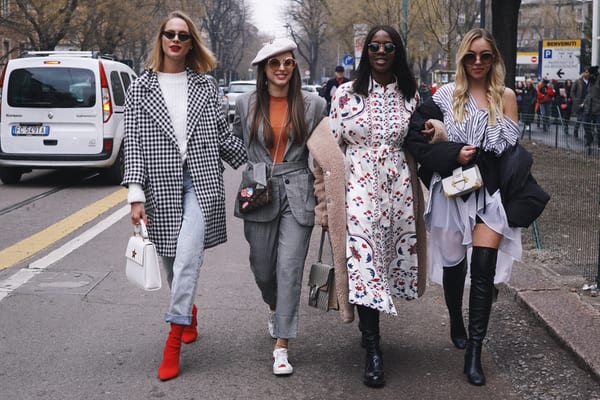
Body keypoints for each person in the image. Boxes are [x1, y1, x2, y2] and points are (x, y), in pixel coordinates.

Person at [405, 28, 548, 386]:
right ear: (462, 59)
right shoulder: (445, 95)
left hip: (490, 193)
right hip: (453, 190)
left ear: (494, 58)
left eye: (485, 55)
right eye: (471, 56)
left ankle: (475, 353)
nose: (478, 62)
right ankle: (456, 319)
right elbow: (415, 134)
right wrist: (451, 149)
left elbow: (510, 149)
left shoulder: (507, 96)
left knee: (483, 270)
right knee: (455, 265)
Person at [122, 11, 247, 381]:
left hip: (201, 182)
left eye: (183, 35)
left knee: (188, 259)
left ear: (192, 43)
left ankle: (173, 338)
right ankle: (187, 311)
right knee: (170, 260)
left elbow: (222, 136)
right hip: (160, 186)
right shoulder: (139, 88)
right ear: (161, 39)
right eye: (170, 34)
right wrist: (135, 194)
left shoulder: (205, 86)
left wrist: (263, 154)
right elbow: (134, 145)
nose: (175, 40)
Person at [309, 25, 427, 388]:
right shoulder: (345, 94)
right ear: (366, 52)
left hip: (398, 190)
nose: (381, 52)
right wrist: (324, 203)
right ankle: (374, 349)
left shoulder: (411, 95)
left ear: (397, 52)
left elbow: (422, 136)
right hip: (357, 187)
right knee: (364, 260)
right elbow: (326, 151)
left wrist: (435, 132)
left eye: (388, 46)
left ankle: (368, 327)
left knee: (386, 262)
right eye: (374, 46)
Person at [232, 38, 327, 376]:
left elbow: (325, 154)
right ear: (264, 69)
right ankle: (274, 305)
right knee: (262, 267)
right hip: (258, 188)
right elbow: (235, 143)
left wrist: (328, 200)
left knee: (289, 267)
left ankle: (282, 344)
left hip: (298, 189)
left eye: (288, 62)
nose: (282, 68)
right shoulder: (245, 103)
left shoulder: (314, 105)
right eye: (275, 63)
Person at [570, 67, 590, 138]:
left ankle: (587, 134)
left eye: (588, 72)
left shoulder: (590, 82)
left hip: (588, 103)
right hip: (579, 102)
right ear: (583, 73)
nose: (588, 74)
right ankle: (575, 130)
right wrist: (575, 100)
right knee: (579, 119)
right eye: (586, 72)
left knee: (586, 119)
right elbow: (572, 91)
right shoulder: (578, 81)